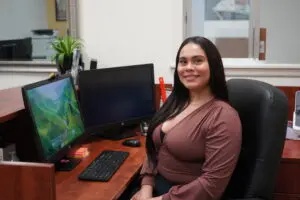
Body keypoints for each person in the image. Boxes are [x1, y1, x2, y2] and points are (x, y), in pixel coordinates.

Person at [131, 36, 242, 200]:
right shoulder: (175, 102)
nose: (188, 67)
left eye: (197, 61)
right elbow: (154, 150)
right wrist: (146, 188)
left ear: (213, 66)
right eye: (183, 62)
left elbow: (211, 186)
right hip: (155, 188)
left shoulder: (224, 117)